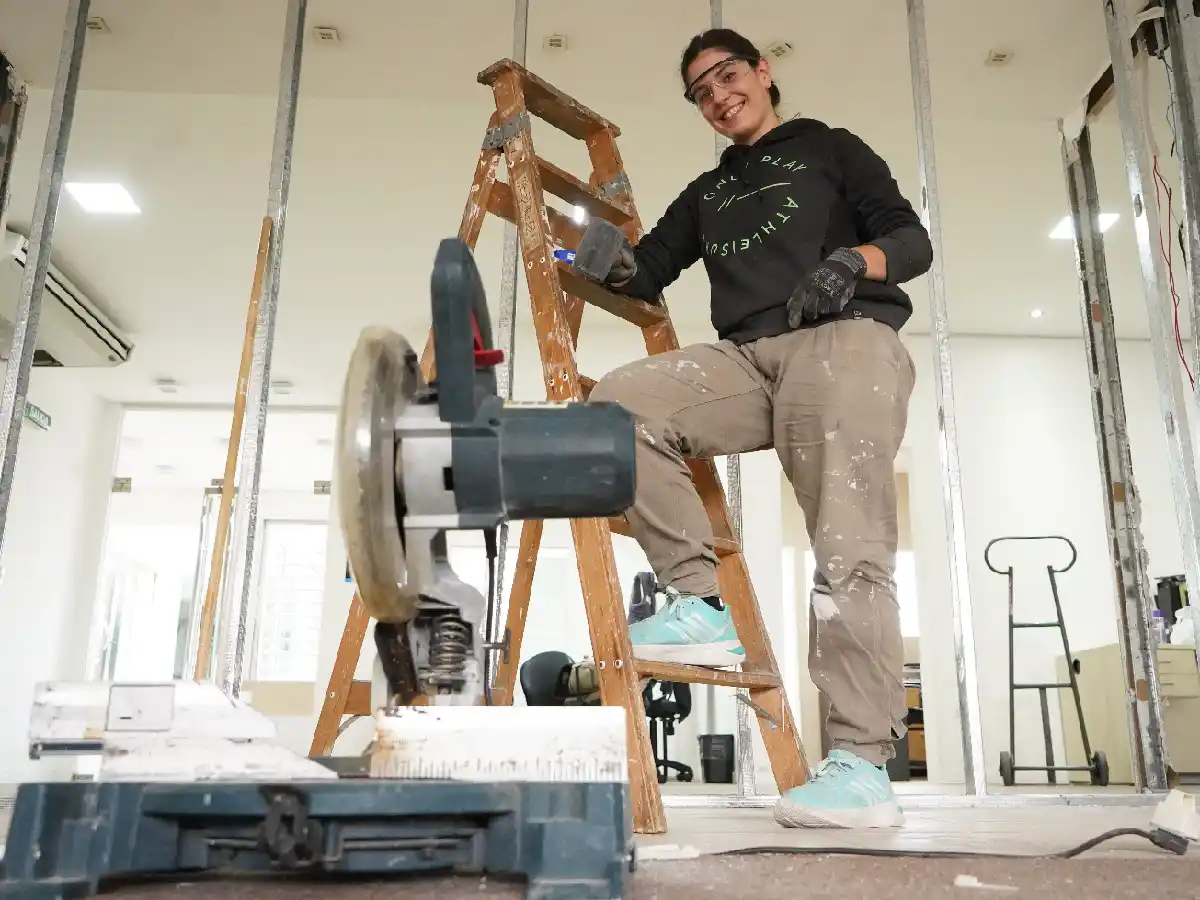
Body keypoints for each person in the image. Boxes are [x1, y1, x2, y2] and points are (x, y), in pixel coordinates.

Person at [588, 28, 932, 830]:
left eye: (727, 75)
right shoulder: (708, 192)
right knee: (618, 405)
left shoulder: (830, 147)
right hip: (749, 357)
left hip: (842, 339)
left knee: (847, 545)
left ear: (763, 71)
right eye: (700, 91)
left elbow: (910, 241)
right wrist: (607, 257)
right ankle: (699, 605)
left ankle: (862, 765)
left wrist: (852, 263)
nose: (718, 96)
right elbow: (649, 269)